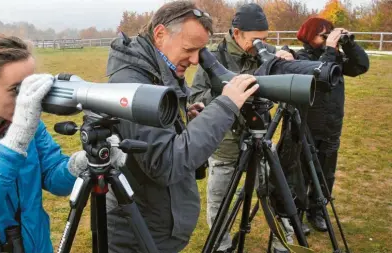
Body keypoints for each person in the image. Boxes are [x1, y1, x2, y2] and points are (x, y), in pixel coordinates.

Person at [0, 34, 125, 253]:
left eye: (30, 87)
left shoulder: (22, 118)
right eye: (16, 90)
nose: (27, 99)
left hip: (34, 244)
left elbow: (53, 177)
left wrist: (85, 163)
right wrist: (14, 143)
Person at [104, 1, 259, 252]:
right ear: (160, 34)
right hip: (137, 236)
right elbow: (165, 162)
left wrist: (183, 119)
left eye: (201, 51)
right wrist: (225, 106)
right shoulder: (133, 86)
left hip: (155, 227)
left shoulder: (157, 72)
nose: (197, 60)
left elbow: (158, 138)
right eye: (190, 49)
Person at [189, 3, 294, 252]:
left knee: (275, 194)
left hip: (261, 138)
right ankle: (222, 246)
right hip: (224, 144)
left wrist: (289, 58)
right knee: (219, 200)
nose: (261, 46)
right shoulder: (213, 58)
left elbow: (289, 78)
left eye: (265, 40)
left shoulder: (267, 53)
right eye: (256, 40)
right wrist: (229, 99)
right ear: (237, 33)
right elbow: (195, 96)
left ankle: (282, 242)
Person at [294, 17, 369, 232]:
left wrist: (349, 45)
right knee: (301, 174)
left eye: (330, 34)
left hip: (331, 127)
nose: (328, 39)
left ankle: (317, 211)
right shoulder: (299, 57)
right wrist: (330, 49)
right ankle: (296, 214)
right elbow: (319, 75)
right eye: (322, 34)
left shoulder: (334, 57)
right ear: (309, 35)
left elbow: (360, 66)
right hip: (306, 128)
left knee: (326, 175)